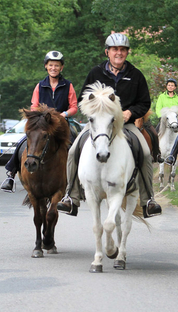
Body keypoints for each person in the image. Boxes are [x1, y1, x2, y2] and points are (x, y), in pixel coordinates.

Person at [57, 33, 162, 218]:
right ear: (107, 52)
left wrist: (130, 112)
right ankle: (70, 197)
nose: (119, 53)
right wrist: (95, 112)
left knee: (145, 153)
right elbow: (83, 99)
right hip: (98, 126)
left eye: (122, 50)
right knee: (73, 151)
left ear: (127, 53)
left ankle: (148, 200)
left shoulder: (136, 75)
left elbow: (144, 102)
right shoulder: (95, 73)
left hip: (125, 126)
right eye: (115, 49)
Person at [0, 50, 78, 192]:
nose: (53, 68)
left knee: (76, 142)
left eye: (57, 65)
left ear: (62, 68)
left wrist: (64, 114)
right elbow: (34, 105)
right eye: (51, 65)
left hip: (61, 123)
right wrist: (39, 116)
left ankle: (78, 179)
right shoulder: (40, 85)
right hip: (42, 123)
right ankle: (10, 174)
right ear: (46, 67)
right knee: (24, 141)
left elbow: (74, 107)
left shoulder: (68, 85)